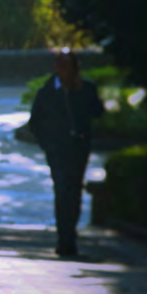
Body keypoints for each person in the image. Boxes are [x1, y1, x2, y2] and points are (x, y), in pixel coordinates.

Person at [28, 49, 105, 256]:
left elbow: (98, 112)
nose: (65, 72)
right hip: (57, 150)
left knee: (74, 191)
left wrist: (82, 93)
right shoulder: (47, 92)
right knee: (62, 191)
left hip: (78, 149)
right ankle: (65, 238)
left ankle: (70, 234)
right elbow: (34, 122)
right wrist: (48, 144)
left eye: (69, 67)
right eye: (61, 66)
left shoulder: (86, 88)